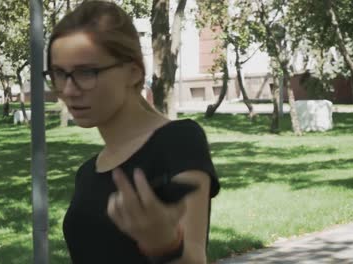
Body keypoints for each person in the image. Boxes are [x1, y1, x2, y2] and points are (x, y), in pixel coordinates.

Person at [42, 1, 220, 263]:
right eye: (59, 73)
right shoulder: (88, 173)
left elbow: (195, 256)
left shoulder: (179, 141)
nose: (68, 90)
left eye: (86, 72)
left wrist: (166, 244)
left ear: (134, 73)